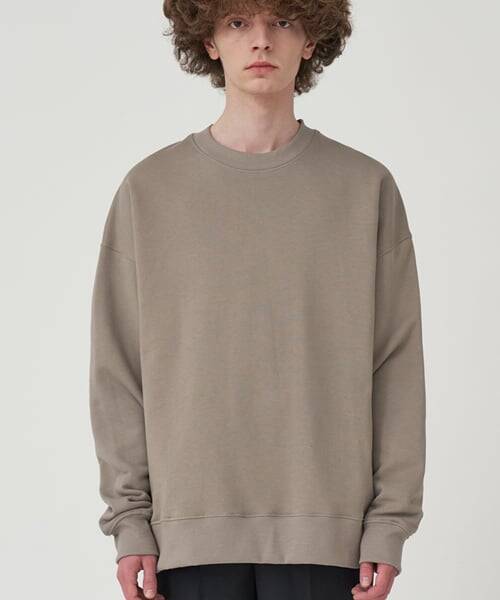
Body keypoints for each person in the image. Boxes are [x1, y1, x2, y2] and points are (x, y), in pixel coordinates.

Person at [89, 1, 427, 599]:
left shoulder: (364, 188)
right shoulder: (150, 190)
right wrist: (130, 519)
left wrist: (389, 522)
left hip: (329, 537)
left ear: (312, 40)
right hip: (186, 534)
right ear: (209, 40)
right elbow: (117, 370)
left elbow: (396, 364)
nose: (262, 40)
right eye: (238, 22)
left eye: (284, 21)